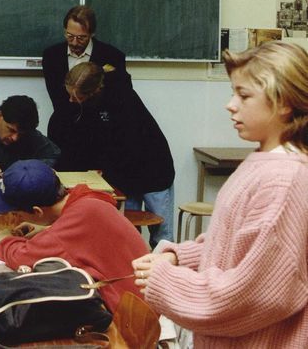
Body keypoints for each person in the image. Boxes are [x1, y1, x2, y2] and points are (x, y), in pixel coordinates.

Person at [132, 41, 308, 347]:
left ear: (284, 103)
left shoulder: (284, 179)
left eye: (244, 95)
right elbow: (236, 244)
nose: (230, 104)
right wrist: (179, 257)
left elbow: (255, 294)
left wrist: (165, 282)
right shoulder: (264, 160)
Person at [0, 159, 147, 312]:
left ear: (37, 211)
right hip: (140, 297)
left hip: (132, 319)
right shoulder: (85, 200)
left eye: (16, 213)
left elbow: (21, 257)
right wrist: (49, 228)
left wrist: (4, 240)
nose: (16, 218)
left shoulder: (75, 221)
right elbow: (83, 235)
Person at [62, 62, 175, 248]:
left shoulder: (122, 98)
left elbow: (127, 145)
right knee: (126, 233)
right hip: (125, 175)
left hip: (154, 169)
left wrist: (105, 171)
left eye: (76, 96)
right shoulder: (91, 103)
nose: (71, 101)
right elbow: (96, 141)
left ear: (94, 91)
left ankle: (164, 272)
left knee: (161, 236)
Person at [42, 5, 132, 152]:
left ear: (92, 34)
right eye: (69, 36)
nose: (74, 42)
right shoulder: (52, 56)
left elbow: (121, 95)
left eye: (81, 38)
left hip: (100, 132)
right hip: (64, 130)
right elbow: (57, 97)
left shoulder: (112, 56)